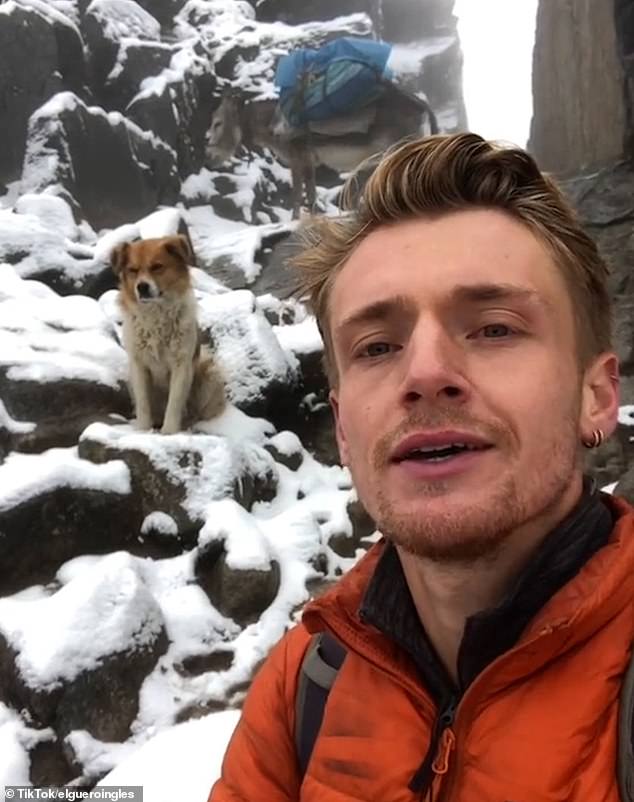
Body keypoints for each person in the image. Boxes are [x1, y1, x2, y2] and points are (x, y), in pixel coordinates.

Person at [208, 132, 631, 802]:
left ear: (597, 397)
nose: (427, 373)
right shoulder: (307, 681)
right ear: (345, 428)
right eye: (378, 347)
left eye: (494, 328)